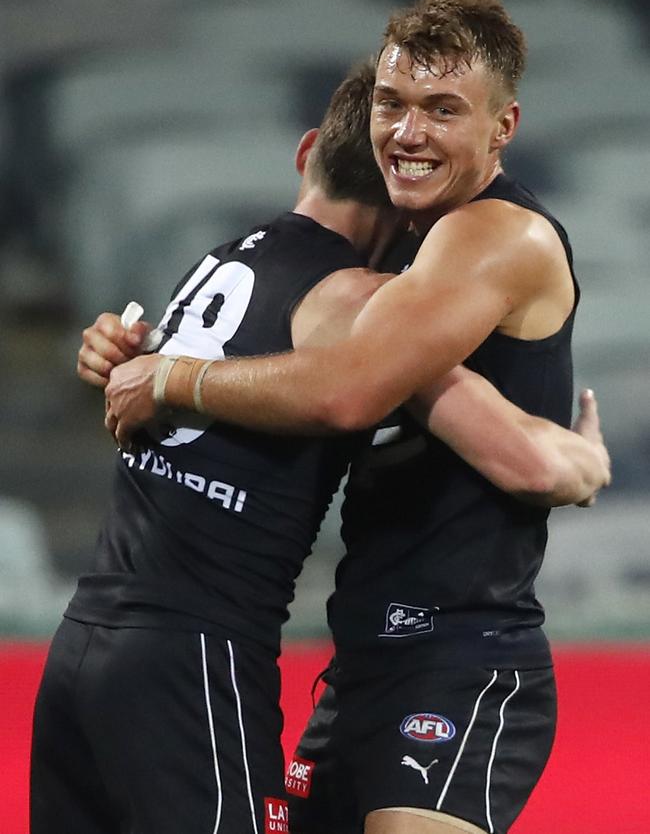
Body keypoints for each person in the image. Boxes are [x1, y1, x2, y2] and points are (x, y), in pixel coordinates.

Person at [34, 59, 606, 834]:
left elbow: (148, 379)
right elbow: (528, 459)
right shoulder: (362, 307)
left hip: (81, 648)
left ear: (307, 154)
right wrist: (585, 460)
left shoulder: (219, 261)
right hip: (195, 660)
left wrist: (137, 359)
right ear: (405, 202)